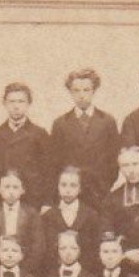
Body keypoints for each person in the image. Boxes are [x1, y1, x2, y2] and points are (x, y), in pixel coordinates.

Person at [49, 68, 121, 199]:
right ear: (70, 92)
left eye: (86, 90)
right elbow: (55, 162)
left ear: (94, 91)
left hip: (100, 192)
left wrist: (105, 184)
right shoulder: (60, 124)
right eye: (76, 90)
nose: (81, 95)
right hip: (71, 192)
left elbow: (114, 159)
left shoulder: (107, 121)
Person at [0, 82, 53, 206]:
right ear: (5, 104)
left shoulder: (39, 134)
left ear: (28, 103)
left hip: (32, 200)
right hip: (3, 201)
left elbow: (49, 172)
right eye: (11, 102)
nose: (16, 106)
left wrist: (47, 202)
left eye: (21, 101)